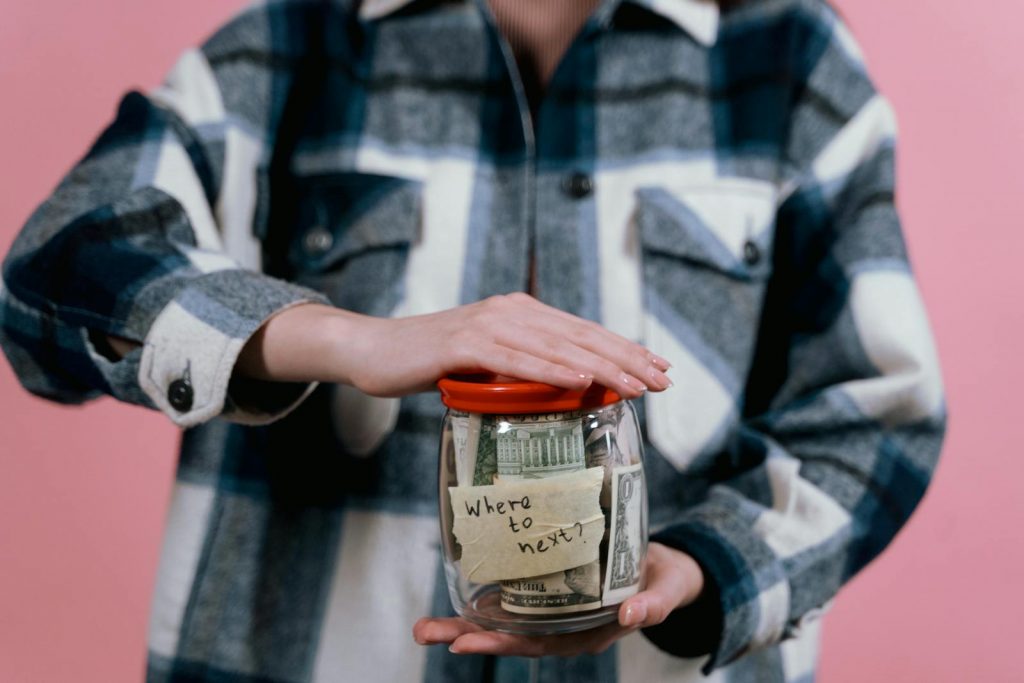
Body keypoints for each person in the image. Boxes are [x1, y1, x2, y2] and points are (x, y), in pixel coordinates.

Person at [0, 0, 946, 680]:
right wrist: (339, 338)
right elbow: (56, 268)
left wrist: (706, 568)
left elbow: (875, 415)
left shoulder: (790, 60)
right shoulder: (291, 42)